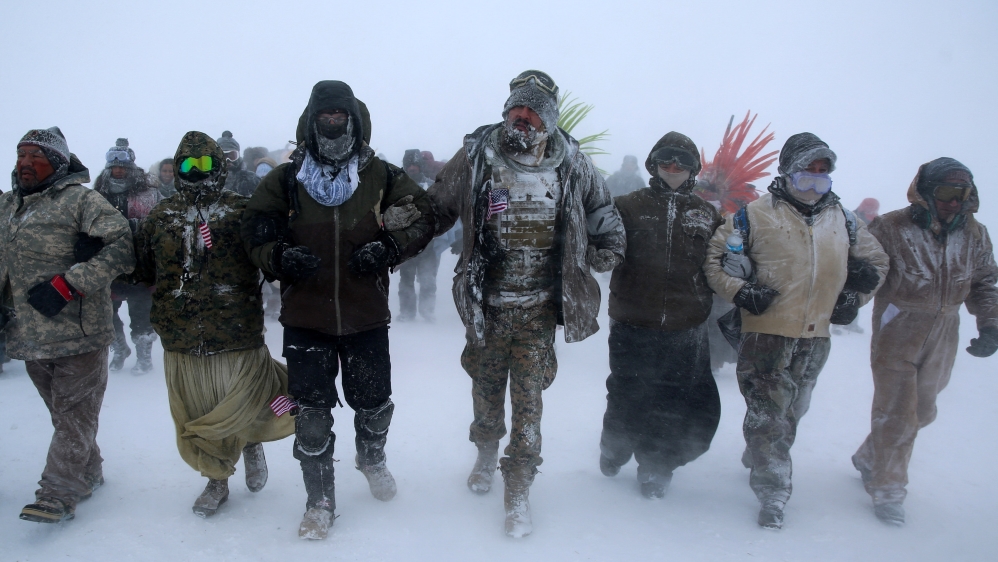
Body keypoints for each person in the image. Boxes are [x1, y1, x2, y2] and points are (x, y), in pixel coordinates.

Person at [427, 70, 626, 537]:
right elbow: (435, 206)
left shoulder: (569, 160)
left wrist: (608, 248)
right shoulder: (479, 154)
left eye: (533, 110)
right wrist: (396, 239)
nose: (522, 115)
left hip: (538, 308)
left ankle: (518, 486)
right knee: (485, 390)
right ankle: (484, 453)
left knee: (529, 400)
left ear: (548, 119)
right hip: (488, 306)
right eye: (516, 107)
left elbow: (602, 210)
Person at [242, 80, 434, 540]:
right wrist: (278, 257)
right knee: (310, 417)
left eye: (339, 116)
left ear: (354, 121)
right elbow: (255, 228)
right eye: (324, 116)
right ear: (311, 122)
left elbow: (422, 214)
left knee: (375, 406)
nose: (331, 124)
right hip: (305, 319)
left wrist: (389, 247)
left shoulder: (380, 174)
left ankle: (371, 458)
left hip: (365, 315)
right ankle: (319, 501)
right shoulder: (287, 179)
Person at [704, 133, 889, 529]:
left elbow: (877, 262)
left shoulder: (845, 221)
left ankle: (760, 453)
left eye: (823, 171)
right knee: (768, 414)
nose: (815, 178)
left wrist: (854, 298)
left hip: (815, 337)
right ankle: (773, 489)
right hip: (765, 335)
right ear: (788, 171)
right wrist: (742, 292)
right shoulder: (752, 216)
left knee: (793, 410)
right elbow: (716, 263)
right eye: (808, 169)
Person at [131, 131, 295, 518]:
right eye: (188, 164)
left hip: (236, 331)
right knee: (200, 413)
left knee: (253, 398)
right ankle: (216, 479)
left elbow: (270, 259)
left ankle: (251, 441)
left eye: (205, 164)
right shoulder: (161, 217)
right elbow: (142, 270)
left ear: (219, 166)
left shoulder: (242, 211)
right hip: (181, 336)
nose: (196, 171)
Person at [851, 158, 998, 526]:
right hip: (899, 326)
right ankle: (888, 489)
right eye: (947, 192)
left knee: (924, 410)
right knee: (899, 413)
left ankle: (870, 456)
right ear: (927, 192)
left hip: (945, 330)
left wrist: (991, 324)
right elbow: (868, 272)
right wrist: (847, 301)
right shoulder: (892, 227)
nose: (955, 202)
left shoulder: (975, 234)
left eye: (963, 193)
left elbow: (983, 282)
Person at [1, 127, 134, 522]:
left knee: (74, 415)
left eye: (36, 156)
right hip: (29, 334)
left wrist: (68, 284)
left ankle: (58, 493)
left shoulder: (81, 201)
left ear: (57, 162)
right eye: (21, 155)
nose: (25, 163)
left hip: (80, 332)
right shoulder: (7, 205)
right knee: (64, 416)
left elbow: (123, 247)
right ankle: (89, 470)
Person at [599, 132, 723, 499]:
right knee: (625, 390)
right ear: (653, 164)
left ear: (693, 170)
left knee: (671, 398)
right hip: (632, 319)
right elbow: (601, 247)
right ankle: (614, 446)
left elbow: (719, 265)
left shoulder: (707, 214)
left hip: (686, 326)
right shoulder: (626, 206)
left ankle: (655, 465)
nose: (673, 167)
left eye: (683, 162)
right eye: (666, 159)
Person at [93, 138, 161, 373]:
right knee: (105, 312)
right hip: (108, 261)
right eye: (114, 166)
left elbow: (159, 221)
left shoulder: (148, 193)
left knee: (140, 312)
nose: (118, 170)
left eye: (122, 166)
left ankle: (144, 357)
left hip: (140, 262)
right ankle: (120, 348)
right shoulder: (98, 193)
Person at [397, 149, 441, 321]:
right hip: (407, 242)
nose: (412, 168)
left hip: (428, 242)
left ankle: (427, 310)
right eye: (409, 165)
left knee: (428, 278)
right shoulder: (399, 187)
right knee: (406, 279)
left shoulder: (431, 186)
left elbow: (441, 212)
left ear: (421, 166)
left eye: (415, 165)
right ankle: (407, 313)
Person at [217, 131, 261, 197]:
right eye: (223, 156)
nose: (228, 161)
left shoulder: (251, 179)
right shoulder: (211, 182)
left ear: (238, 156)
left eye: (232, 156)